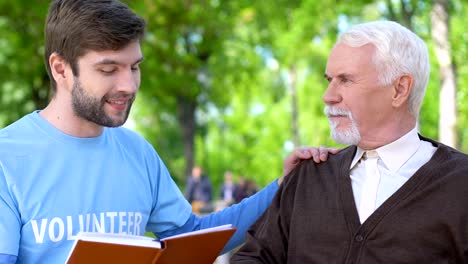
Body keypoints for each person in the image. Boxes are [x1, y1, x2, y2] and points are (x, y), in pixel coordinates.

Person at [0, 0, 337, 263]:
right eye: (108, 69)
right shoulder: (8, 158)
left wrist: (283, 186)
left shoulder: (138, 153)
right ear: (61, 69)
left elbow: (193, 235)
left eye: (134, 67)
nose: (128, 85)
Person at [232, 20, 468, 263]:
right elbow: (252, 258)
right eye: (329, 80)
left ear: (399, 89)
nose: (328, 96)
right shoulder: (307, 176)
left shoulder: (461, 184)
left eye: (346, 80)